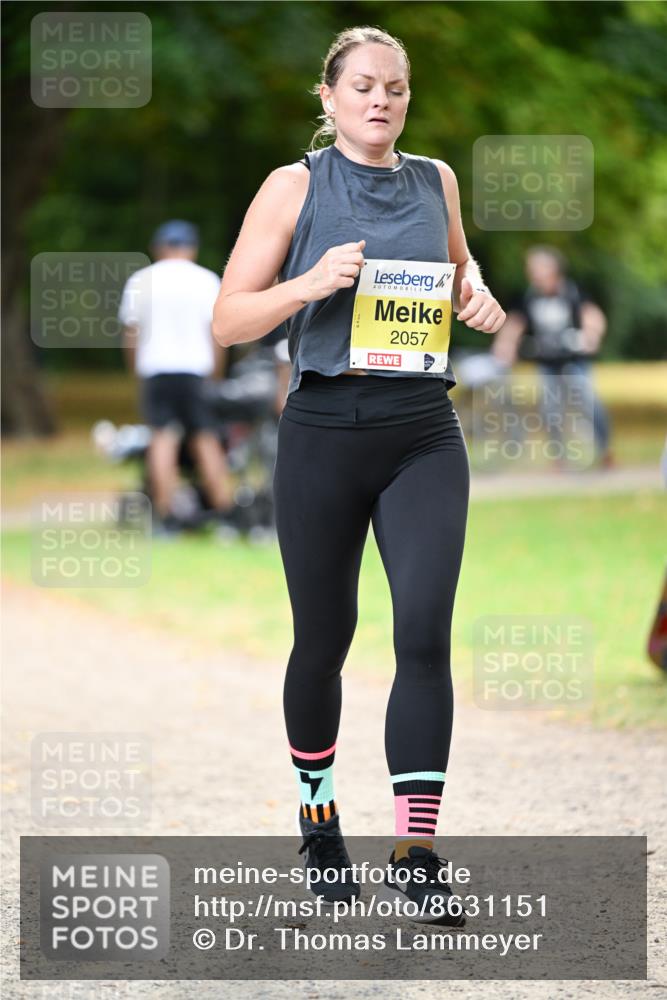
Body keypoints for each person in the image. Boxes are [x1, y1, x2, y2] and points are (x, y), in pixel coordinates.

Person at [213, 26, 505, 923]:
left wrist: (475, 294)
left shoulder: (437, 180)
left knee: (421, 635)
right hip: (322, 431)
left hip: (420, 429)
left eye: (397, 88)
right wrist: (307, 285)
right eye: (364, 87)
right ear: (330, 97)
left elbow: (459, 268)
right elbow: (228, 319)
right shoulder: (293, 186)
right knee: (324, 639)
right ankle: (318, 822)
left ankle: (415, 853)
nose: (382, 100)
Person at [119, 220, 237, 535]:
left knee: (162, 438)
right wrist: (215, 373)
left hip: (156, 368)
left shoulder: (141, 280)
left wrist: (137, 372)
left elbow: (131, 333)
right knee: (205, 437)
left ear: (159, 247)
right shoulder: (206, 280)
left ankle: (166, 516)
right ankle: (224, 511)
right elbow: (217, 333)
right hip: (195, 369)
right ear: (192, 248)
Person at [492, 245, 613, 469]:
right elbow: (514, 324)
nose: (532, 273)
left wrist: (591, 335)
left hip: (574, 360)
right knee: (550, 410)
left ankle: (606, 451)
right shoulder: (529, 296)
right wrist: (504, 346)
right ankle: (560, 458)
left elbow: (592, 316)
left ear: (553, 269)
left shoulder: (573, 292)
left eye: (536, 268)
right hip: (547, 363)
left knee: (589, 403)